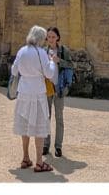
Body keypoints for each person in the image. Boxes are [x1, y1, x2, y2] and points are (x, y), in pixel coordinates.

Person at [11, 24, 58, 172]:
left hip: (23, 92)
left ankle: (25, 157)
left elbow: (14, 70)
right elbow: (49, 74)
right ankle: (39, 162)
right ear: (39, 39)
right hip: (37, 92)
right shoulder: (41, 53)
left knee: (25, 125)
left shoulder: (22, 51)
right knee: (39, 127)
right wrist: (52, 62)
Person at [43, 26, 73, 158]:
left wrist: (59, 61)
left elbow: (72, 65)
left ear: (58, 38)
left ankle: (58, 147)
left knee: (59, 118)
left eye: (53, 37)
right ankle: (45, 145)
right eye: (49, 37)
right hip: (47, 88)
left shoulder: (63, 50)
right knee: (46, 117)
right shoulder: (43, 51)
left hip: (59, 88)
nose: (51, 39)